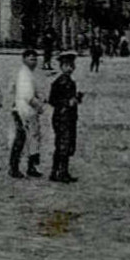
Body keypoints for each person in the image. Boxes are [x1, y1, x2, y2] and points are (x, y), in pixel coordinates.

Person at [48, 52, 85, 183]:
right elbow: (52, 100)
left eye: (72, 65)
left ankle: (58, 172)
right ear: (61, 67)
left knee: (67, 145)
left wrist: (77, 99)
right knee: (63, 145)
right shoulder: (59, 82)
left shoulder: (70, 82)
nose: (70, 68)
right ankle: (60, 173)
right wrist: (67, 102)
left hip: (69, 117)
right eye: (67, 65)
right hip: (62, 118)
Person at [9, 47, 46, 178]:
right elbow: (28, 97)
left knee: (32, 139)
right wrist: (39, 106)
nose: (34, 62)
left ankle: (31, 167)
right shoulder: (24, 75)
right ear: (24, 59)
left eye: (35, 59)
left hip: (27, 111)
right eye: (31, 59)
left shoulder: (28, 73)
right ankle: (14, 168)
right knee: (21, 139)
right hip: (23, 111)